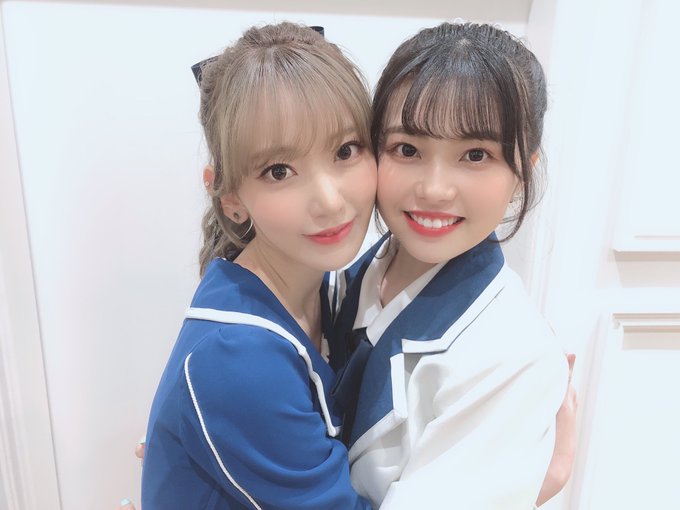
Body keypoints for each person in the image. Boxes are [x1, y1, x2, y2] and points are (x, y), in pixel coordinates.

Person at [327, 21, 573, 509]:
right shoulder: (346, 278)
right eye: (408, 149)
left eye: (476, 155)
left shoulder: (513, 357)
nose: (435, 189)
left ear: (523, 171)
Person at [140, 22, 377, 509]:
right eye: (279, 171)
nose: (330, 201)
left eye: (345, 150)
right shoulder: (237, 359)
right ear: (229, 197)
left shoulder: (321, 289)